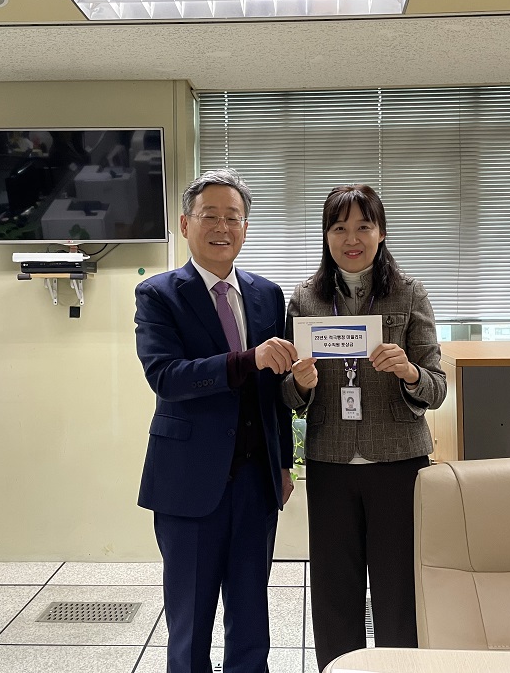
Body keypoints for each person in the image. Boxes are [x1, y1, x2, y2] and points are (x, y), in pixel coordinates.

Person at [134, 169, 299, 673]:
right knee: (190, 624)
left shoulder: (268, 294)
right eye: (210, 216)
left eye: (233, 217)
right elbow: (167, 377)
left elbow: (275, 390)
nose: (222, 227)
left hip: (256, 482)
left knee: (251, 618)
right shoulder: (158, 294)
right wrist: (247, 359)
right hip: (188, 482)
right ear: (186, 224)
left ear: (246, 228)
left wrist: (284, 463)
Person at [281, 183, 447, 670]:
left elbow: (437, 387)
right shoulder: (306, 299)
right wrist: (300, 384)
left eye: (363, 226)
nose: (351, 238)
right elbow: (287, 395)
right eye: (339, 228)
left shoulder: (409, 293)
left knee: (399, 588)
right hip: (330, 460)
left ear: (381, 232)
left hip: (398, 462)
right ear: (326, 235)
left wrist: (409, 372)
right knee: (334, 588)